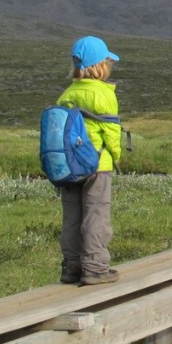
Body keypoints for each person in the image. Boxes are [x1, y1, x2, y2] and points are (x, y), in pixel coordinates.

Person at [56, 36, 123, 285]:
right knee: (96, 217)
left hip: (70, 167)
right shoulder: (104, 94)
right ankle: (95, 268)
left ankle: (71, 268)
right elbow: (112, 132)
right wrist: (116, 156)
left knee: (72, 217)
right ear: (100, 65)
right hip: (97, 166)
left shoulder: (67, 94)